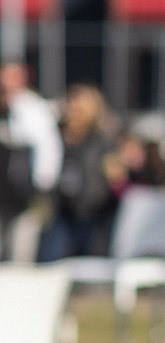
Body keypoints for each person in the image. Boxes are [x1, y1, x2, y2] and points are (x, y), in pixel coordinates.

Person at [38, 83, 120, 262]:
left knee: (89, 265)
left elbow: (115, 177)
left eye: (79, 108)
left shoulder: (102, 142)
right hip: (61, 212)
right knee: (52, 262)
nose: (73, 112)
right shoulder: (53, 137)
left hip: (92, 215)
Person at [0, 62, 62, 261]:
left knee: (21, 251)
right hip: (3, 194)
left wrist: (43, 187)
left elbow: (48, 150)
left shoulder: (33, 108)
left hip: (25, 195)